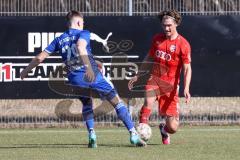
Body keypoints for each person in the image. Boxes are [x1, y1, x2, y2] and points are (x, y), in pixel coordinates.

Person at [20, 10, 146, 148]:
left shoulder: (59, 39)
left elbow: (39, 58)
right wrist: (89, 68)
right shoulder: (83, 33)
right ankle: (133, 134)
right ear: (79, 22)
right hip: (91, 75)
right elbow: (80, 46)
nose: (83, 24)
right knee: (117, 102)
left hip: (74, 80)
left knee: (87, 103)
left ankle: (92, 134)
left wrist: (25, 71)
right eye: (83, 22)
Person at [129, 9, 192, 145]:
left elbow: (187, 68)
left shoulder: (183, 44)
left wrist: (186, 88)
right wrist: (138, 75)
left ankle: (164, 129)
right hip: (155, 79)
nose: (166, 28)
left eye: (169, 25)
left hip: (171, 86)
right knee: (148, 102)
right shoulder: (157, 39)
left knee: (173, 128)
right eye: (164, 25)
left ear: (176, 24)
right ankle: (141, 132)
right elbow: (149, 57)